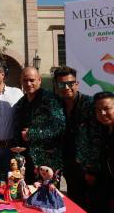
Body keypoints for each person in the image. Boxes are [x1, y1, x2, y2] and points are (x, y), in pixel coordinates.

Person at [14, 67, 65, 183]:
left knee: (47, 196)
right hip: (26, 160)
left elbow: (60, 126)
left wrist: (32, 133)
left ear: (39, 80)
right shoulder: (20, 103)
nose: (28, 83)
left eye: (32, 80)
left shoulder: (51, 100)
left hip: (47, 160)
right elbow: (17, 129)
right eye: (25, 80)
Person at [52, 66, 92, 208]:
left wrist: (91, 168)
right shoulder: (56, 105)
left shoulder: (89, 104)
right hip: (66, 162)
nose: (67, 87)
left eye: (70, 83)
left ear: (77, 84)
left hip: (86, 165)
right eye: (62, 84)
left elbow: (97, 138)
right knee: (73, 201)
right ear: (56, 86)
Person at [77, 92, 114, 212]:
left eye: (106, 109)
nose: (102, 113)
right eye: (98, 110)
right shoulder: (100, 129)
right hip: (102, 184)